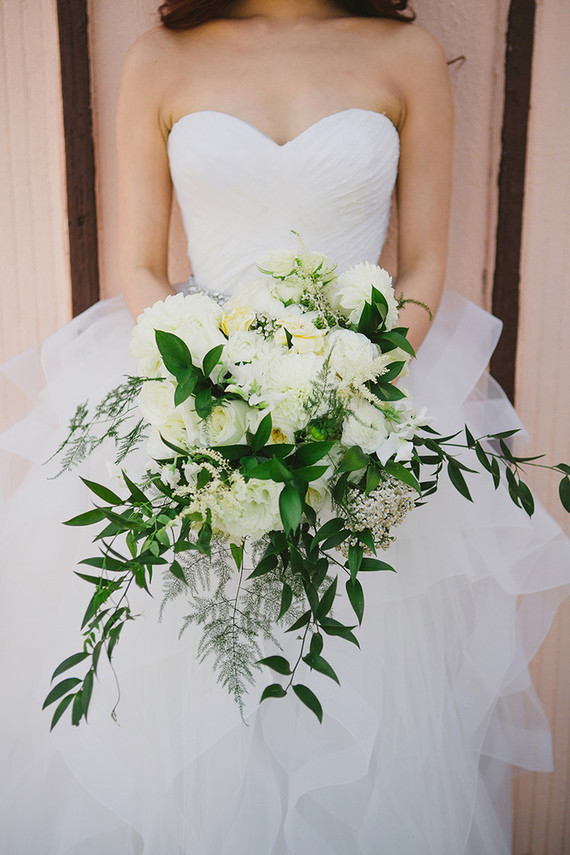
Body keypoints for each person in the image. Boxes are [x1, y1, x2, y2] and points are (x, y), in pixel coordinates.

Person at [0, 1, 568, 853]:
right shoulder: (160, 57)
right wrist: (212, 389)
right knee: (185, 690)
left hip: (362, 409)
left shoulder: (405, 53)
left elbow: (421, 266)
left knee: (359, 687)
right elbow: (141, 264)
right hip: (194, 404)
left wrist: (350, 391)